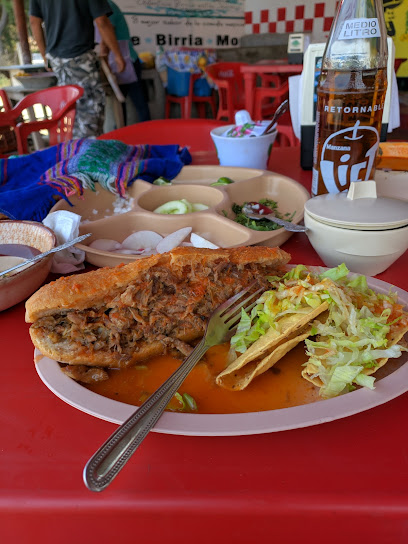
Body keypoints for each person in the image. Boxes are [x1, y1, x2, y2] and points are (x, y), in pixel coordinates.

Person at [29, 0, 126, 138]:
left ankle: (73, 153)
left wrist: (45, 55)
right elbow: (102, 21)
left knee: (69, 113)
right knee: (89, 115)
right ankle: (86, 155)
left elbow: (34, 21)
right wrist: (117, 54)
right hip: (80, 58)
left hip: (57, 61)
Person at [98, 0, 151, 124]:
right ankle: (122, 136)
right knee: (120, 106)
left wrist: (109, 58)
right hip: (118, 62)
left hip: (127, 62)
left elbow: (106, 37)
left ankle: (148, 134)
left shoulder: (107, 7)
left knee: (139, 102)